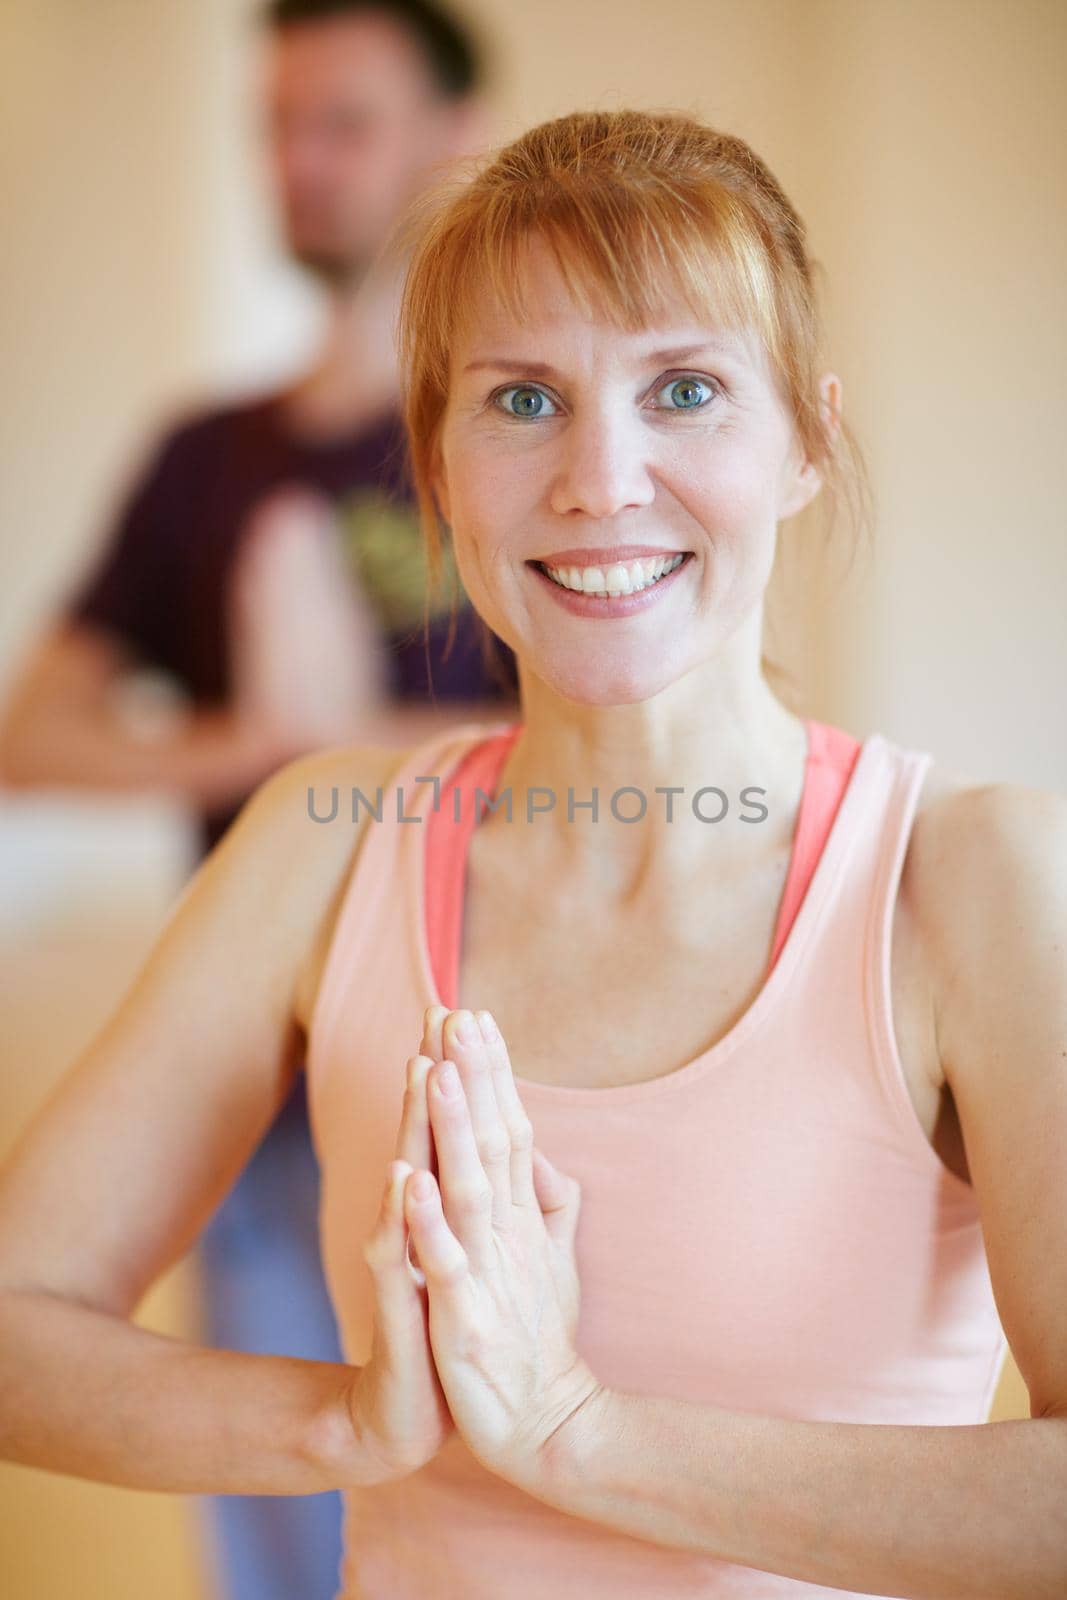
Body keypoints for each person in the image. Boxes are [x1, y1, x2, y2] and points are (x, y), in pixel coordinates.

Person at [1, 106, 1065, 1600]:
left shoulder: (970, 884)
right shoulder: (324, 850)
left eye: (685, 389)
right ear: (436, 469)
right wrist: (345, 1422)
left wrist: (577, 1432)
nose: (600, 479)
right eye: (521, 402)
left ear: (809, 443)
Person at [0, 3, 514, 1597]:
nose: (297, 163)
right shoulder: (205, 460)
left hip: (519, 1052)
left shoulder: (525, 432)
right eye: (275, 125)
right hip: (267, 1067)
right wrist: (271, 744)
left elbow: (624, 743)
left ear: (452, 137)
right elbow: (38, 731)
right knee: (290, 1517)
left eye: (342, 122)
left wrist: (344, 730)